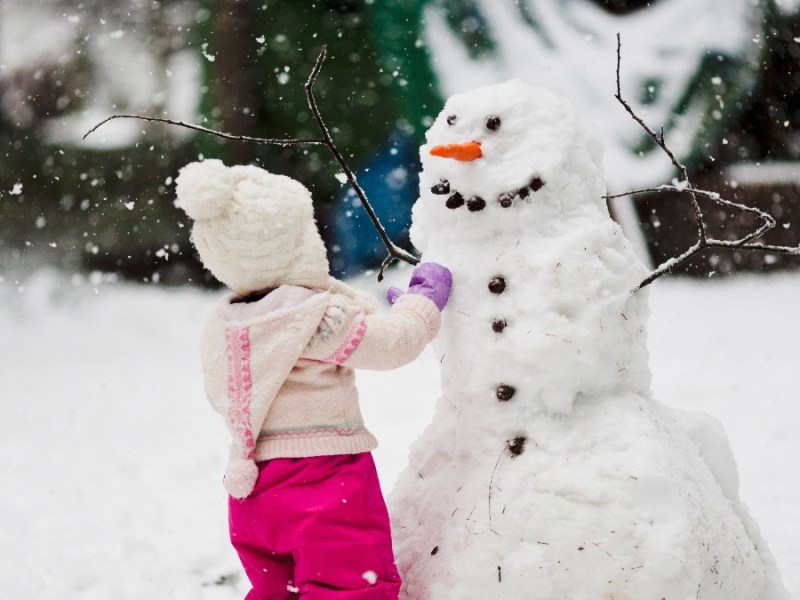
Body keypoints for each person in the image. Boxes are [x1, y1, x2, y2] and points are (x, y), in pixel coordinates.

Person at [175, 159, 451, 600]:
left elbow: (221, 394)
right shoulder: (314, 316)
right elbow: (395, 345)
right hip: (324, 485)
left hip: (253, 496)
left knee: (276, 592)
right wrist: (422, 304)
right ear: (297, 244)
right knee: (349, 588)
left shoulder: (226, 324)